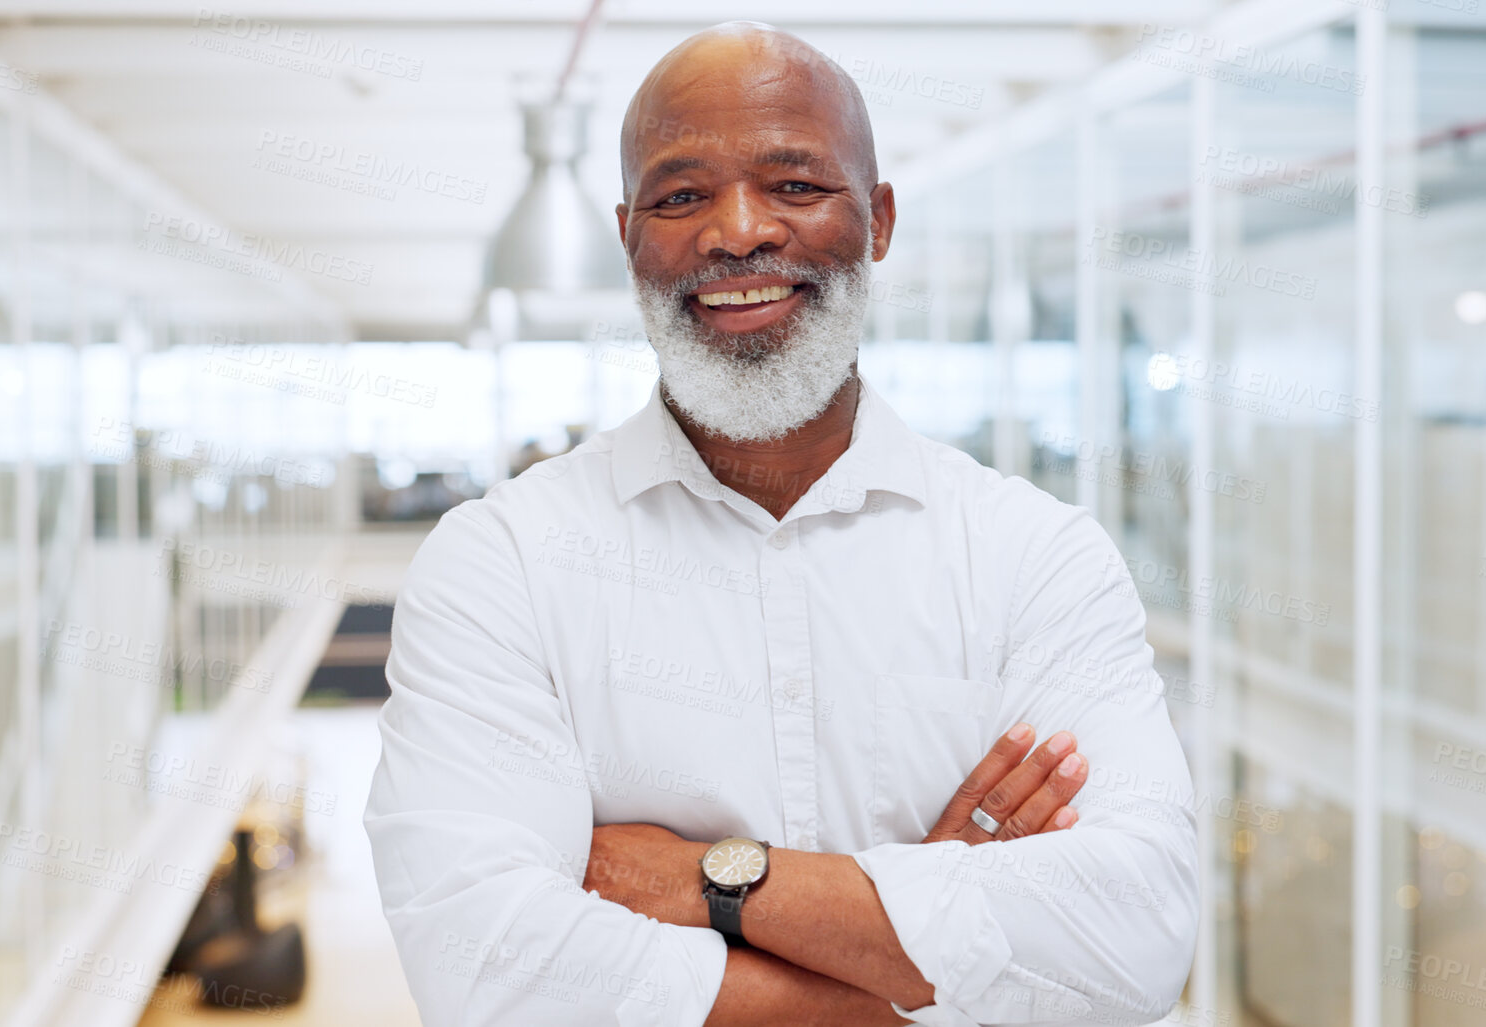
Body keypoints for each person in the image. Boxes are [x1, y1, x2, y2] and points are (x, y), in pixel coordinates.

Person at [366, 22, 1196, 1027]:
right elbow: (487, 968)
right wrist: (909, 959)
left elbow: (1135, 941)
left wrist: (722, 882)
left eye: (796, 186)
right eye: (681, 196)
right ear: (629, 237)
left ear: (880, 220)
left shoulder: (1036, 559)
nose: (739, 233)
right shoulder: (501, 565)